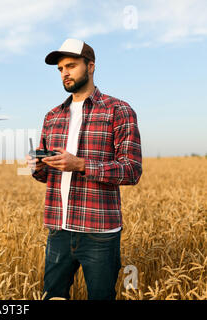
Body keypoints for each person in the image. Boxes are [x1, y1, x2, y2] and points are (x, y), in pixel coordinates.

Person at [26, 38, 142, 300]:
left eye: (71, 66)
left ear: (90, 66)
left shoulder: (119, 110)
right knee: (53, 296)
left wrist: (80, 165)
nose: (64, 73)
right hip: (58, 228)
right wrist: (37, 166)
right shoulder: (52, 116)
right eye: (60, 69)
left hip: (99, 231)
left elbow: (132, 170)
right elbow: (46, 175)